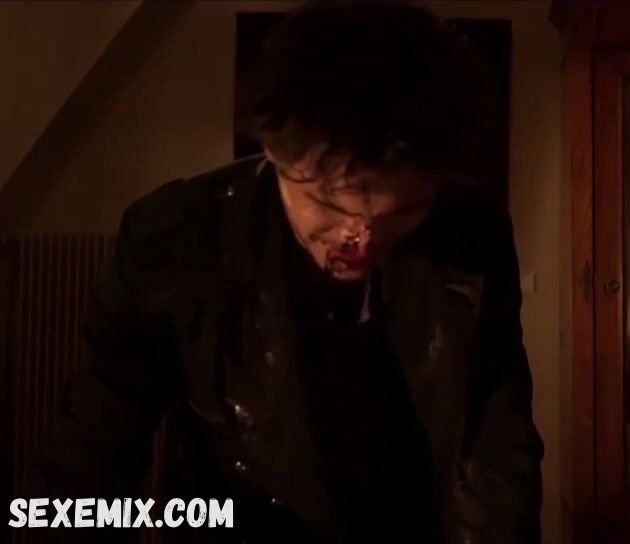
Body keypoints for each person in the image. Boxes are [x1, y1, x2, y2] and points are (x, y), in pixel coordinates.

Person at [30, 1, 543, 542]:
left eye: (402, 213)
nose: (361, 239)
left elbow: (497, 450)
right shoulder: (174, 242)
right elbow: (85, 465)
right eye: (329, 204)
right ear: (273, 153)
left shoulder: (472, 234)